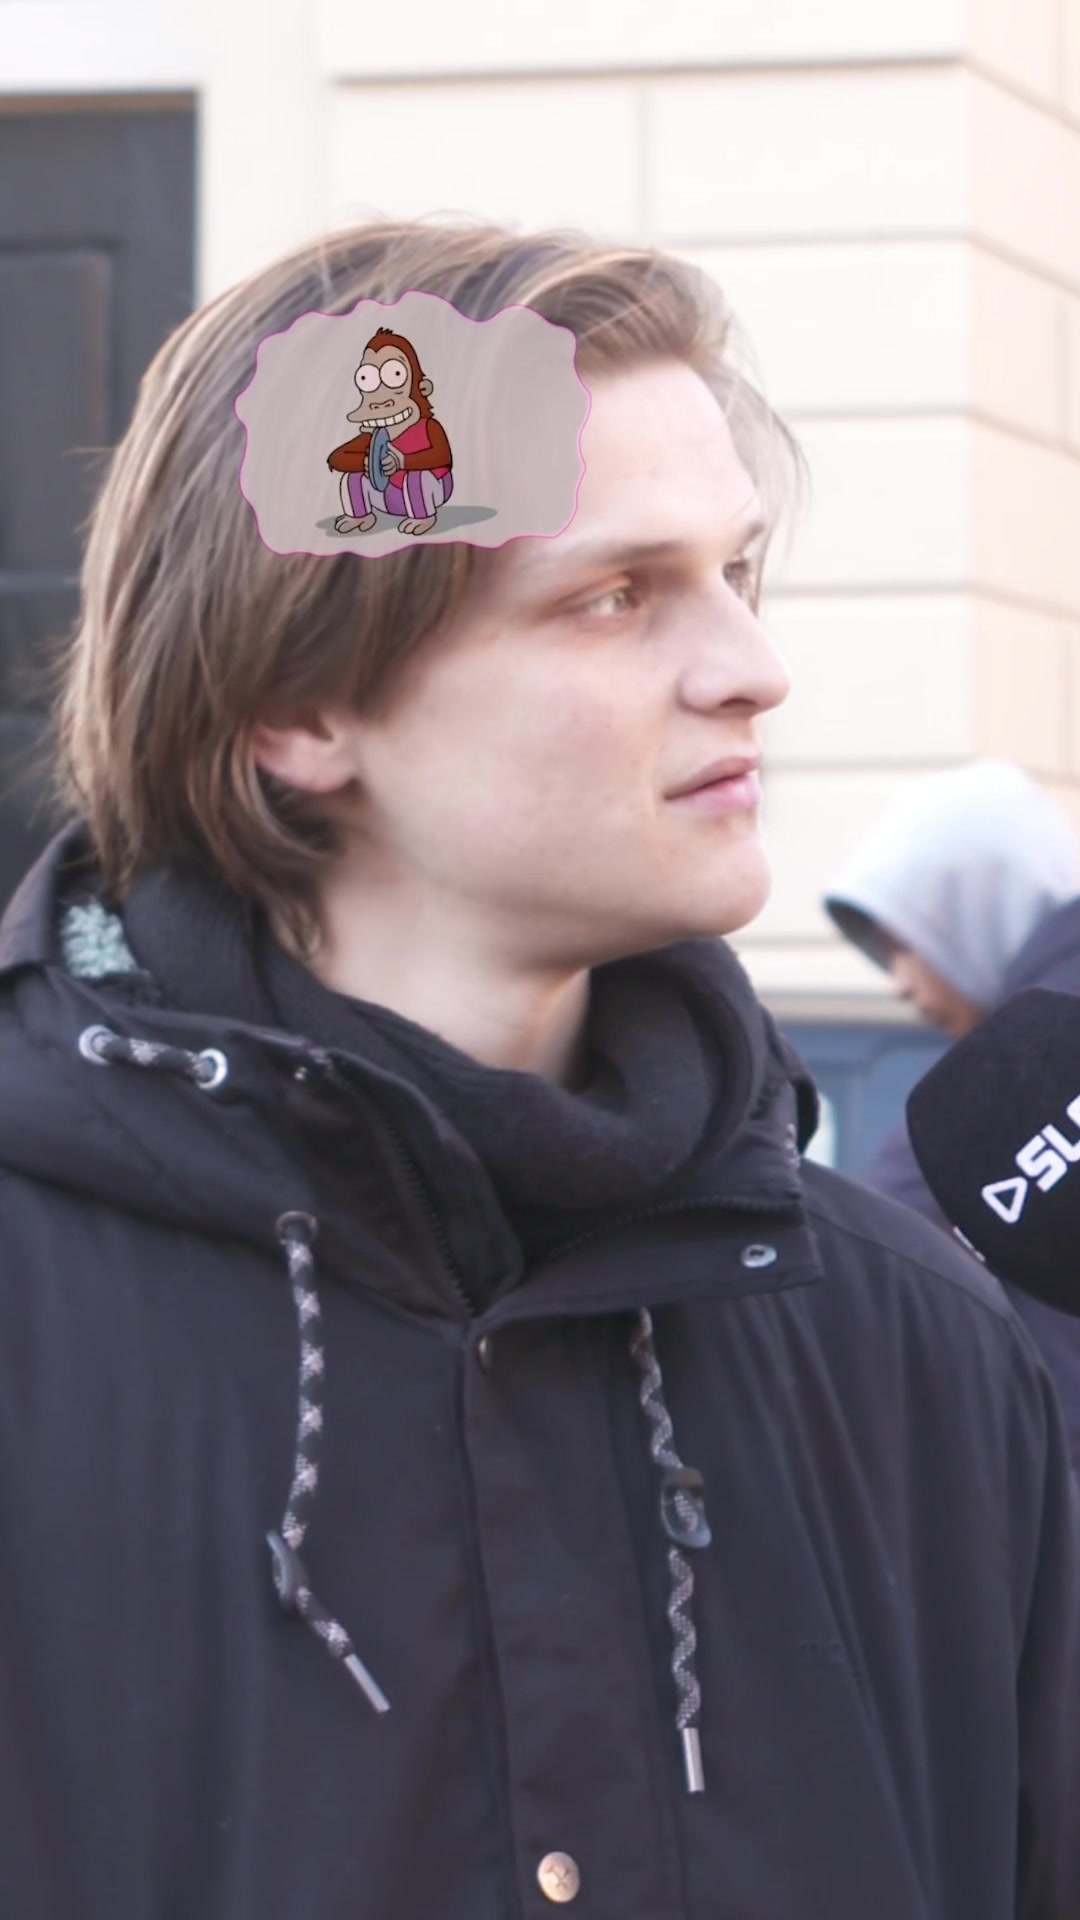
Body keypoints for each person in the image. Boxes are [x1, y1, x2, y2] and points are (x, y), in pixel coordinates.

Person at [1, 224, 1077, 1920]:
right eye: (616, 595)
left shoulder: (919, 1354)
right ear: (300, 703)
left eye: (738, 571)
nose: (752, 669)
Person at [825, 758, 1080, 1477]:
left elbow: (863, 1259)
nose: (901, 983)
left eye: (904, 943)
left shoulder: (1014, 1086)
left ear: (976, 902)